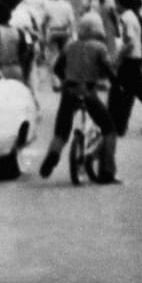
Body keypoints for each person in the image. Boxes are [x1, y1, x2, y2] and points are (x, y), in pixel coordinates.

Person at [38, 16, 119, 183]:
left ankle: (53, 154)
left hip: (69, 90)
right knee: (109, 129)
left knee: (61, 131)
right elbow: (109, 69)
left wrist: (65, 79)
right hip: (88, 90)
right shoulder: (100, 47)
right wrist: (112, 80)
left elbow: (58, 68)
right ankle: (107, 172)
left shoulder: (69, 47)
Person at [107, 0, 142, 136]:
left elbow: (130, 43)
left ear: (122, 5)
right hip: (134, 60)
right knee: (136, 92)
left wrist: (117, 59)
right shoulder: (131, 16)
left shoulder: (126, 18)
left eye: (117, 3)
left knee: (124, 94)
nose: (115, 7)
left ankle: (118, 126)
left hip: (129, 61)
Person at [43, 0, 75, 82]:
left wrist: (44, 35)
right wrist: (72, 34)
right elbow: (72, 22)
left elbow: (44, 22)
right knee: (64, 56)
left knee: (52, 56)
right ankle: (64, 78)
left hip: (53, 32)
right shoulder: (67, 5)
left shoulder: (48, 5)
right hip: (65, 32)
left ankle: (55, 81)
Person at [0, 3, 26, 81]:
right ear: (10, 16)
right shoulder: (18, 31)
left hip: (0, 69)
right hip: (17, 68)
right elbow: (24, 52)